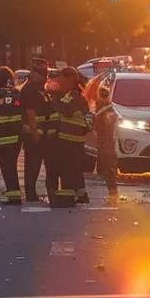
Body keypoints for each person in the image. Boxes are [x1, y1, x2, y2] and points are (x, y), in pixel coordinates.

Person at [48, 67, 91, 209]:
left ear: (68, 80)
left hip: (68, 139)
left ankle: (67, 198)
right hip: (76, 140)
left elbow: (64, 109)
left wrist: (54, 97)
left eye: (61, 77)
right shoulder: (79, 95)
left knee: (67, 170)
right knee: (76, 169)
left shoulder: (71, 95)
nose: (58, 80)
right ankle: (81, 194)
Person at [0, 66, 25, 204]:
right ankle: (13, 192)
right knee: (11, 165)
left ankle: (13, 195)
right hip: (16, 138)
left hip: (2, 139)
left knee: (7, 167)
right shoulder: (17, 94)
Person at [19, 58, 51, 202]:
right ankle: (30, 194)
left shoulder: (42, 89)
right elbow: (30, 113)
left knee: (39, 165)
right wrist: (36, 136)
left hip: (43, 133)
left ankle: (36, 193)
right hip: (33, 134)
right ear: (33, 73)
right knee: (32, 165)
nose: (45, 76)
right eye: (41, 73)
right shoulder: (29, 90)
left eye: (46, 73)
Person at [91, 81, 119, 203]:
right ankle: (112, 195)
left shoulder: (108, 110)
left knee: (109, 170)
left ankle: (113, 195)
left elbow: (109, 127)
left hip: (107, 143)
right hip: (103, 143)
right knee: (105, 170)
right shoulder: (101, 109)